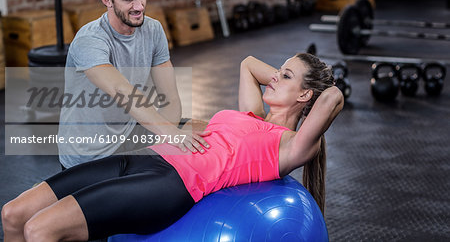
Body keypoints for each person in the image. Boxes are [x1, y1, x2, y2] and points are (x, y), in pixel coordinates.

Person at [1, 53, 344, 241]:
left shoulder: (291, 146)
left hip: (169, 186)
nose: (273, 77)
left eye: (284, 76)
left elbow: (333, 95)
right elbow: (247, 63)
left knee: (40, 230)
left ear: (304, 95)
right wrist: (285, 80)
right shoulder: (253, 114)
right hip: (145, 159)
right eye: (279, 71)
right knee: (14, 215)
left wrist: (307, 88)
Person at [57, 0, 208, 169]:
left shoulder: (153, 30)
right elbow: (122, 91)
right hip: (88, 156)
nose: (139, 7)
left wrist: (165, 141)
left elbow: (170, 98)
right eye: (129, 0)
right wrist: (172, 135)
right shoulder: (90, 40)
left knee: (206, 129)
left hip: (128, 139)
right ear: (107, 0)